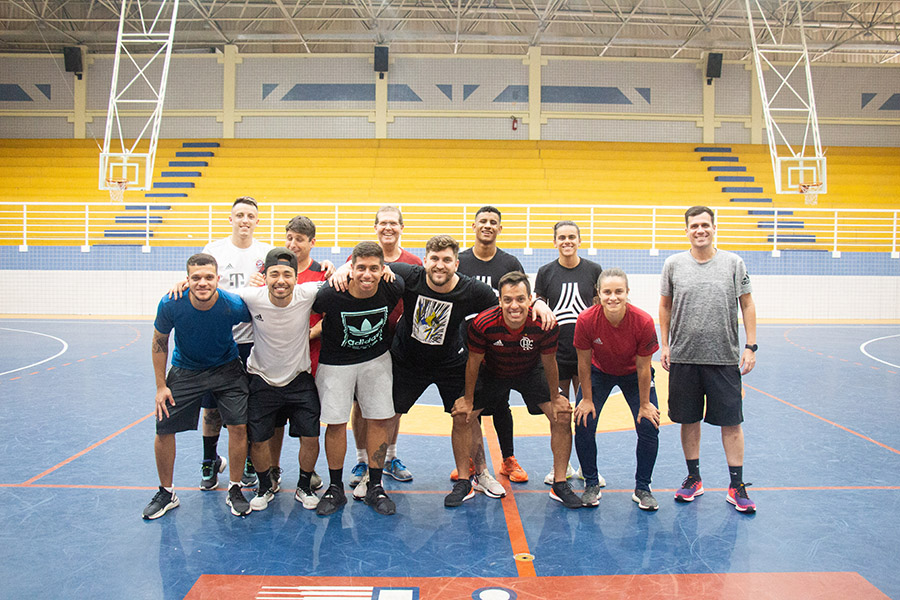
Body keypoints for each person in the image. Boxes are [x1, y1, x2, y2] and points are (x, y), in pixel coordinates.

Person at [451, 271, 581, 509]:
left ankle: (560, 483)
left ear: (530, 299)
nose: (514, 306)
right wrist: (468, 399)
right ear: (499, 301)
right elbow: (473, 363)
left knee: (562, 414)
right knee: (462, 415)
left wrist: (556, 397)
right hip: (493, 371)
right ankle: (464, 482)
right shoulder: (483, 324)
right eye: (508, 299)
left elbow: (550, 362)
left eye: (520, 299)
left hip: (530, 370)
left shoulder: (544, 324)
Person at [659, 205, 758, 513]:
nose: (700, 230)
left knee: (731, 422)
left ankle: (736, 485)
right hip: (684, 357)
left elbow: (747, 304)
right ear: (686, 230)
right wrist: (665, 344)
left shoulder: (733, 263)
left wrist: (751, 346)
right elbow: (665, 306)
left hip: (724, 358)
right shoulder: (673, 264)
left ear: (714, 228)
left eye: (705, 225)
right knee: (688, 420)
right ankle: (694, 478)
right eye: (694, 226)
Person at [143, 253, 253, 520]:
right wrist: (160, 386)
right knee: (164, 427)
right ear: (187, 279)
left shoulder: (232, 304)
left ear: (218, 279)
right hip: (186, 369)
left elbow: (262, 316)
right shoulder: (171, 303)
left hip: (227, 368)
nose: (202, 283)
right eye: (196, 278)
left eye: (208, 277)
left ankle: (235, 488)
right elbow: (159, 341)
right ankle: (167, 492)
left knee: (239, 425)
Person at [312, 242, 405, 516]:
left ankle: (375, 486)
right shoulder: (330, 293)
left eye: (374, 268)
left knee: (379, 419)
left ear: (383, 269)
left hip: (376, 359)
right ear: (351, 268)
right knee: (336, 423)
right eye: (361, 268)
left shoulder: (393, 286)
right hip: (335, 362)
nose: (367, 274)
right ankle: (335, 488)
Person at [236, 248, 324, 512]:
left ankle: (304, 486)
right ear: (264, 276)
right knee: (259, 440)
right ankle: (265, 486)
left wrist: (336, 268)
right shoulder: (251, 296)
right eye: (274, 274)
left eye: (287, 274)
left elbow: (346, 280)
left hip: (299, 378)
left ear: (297, 278)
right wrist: (182, 285)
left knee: (310, 436)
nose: (281, 280)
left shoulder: (308, 293)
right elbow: (215, 295)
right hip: (261, 378)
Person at [197, 197, 272, 491]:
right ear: (230, 219)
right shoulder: (214, 250)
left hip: (253, 340)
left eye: (250, 216)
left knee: (250, 405)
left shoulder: (265, 252)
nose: (244, 220)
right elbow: (199, 283)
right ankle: (209, 460)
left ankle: (250, 459)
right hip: (218, 340)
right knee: (212, 407)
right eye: (239, 215)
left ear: (257, 221)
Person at [573, 268, 661, 510]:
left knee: (649, 424)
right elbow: (583, 364)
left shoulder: (642, 321)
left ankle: (643, 488)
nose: (613, 297)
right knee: (583, 421)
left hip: (634, 374)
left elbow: (644, 367)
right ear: (599, 294)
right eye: (607, 292)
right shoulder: (587, 320)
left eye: (618, 292)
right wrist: (586, 399)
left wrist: (645, 404)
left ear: (627, 292)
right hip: (599, 372)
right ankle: (591, 483)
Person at [349, 206, 423, 489]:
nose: (388, 227)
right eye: (383, 223)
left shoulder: (413, 262)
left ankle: (389, 456)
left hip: (399, 343)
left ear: (402, 227)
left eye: (393, 223)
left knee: (393, 405)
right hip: (366, 341)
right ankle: (361, 459)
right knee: (360, 404)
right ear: (375, 227)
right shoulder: (359, 258)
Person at [456, 206, 528, 484]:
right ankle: (470, 461)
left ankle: (508, 459)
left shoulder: (509, 263)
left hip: (500, 348)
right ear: (473, 226)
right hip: (465, 347)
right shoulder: (460, 261)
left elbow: (524, 299)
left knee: (500, 403)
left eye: (493, 222)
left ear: (500, 228)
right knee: (468, 403)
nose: (487, 225)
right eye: (483, 221)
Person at [534, 220, 603, 487]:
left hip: (586, 355)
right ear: (554, 242)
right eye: (562, 237)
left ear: (580, 241)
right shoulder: (545, 272)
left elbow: (600, 307)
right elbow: (538, 304)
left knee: (586, 415)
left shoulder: (594, 270)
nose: (567, 241)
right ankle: (559, 466)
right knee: (559, 415)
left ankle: (588, 468)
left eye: (572, 237)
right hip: (557, 355)